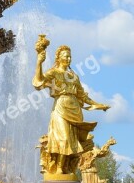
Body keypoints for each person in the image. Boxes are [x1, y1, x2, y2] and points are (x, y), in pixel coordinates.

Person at [32, 38, 109, 175]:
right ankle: (59, 168)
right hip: (61, 107)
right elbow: (39, 82)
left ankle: (67, 168)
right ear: (59, 58)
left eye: (70, 56)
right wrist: (39, 62)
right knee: (63, 138)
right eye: (65, 56)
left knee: (73, 140)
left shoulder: (73, 76)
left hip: (75, 109)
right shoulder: (54, 72)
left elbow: (82, 96)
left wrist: (98, 104)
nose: (68, 58)